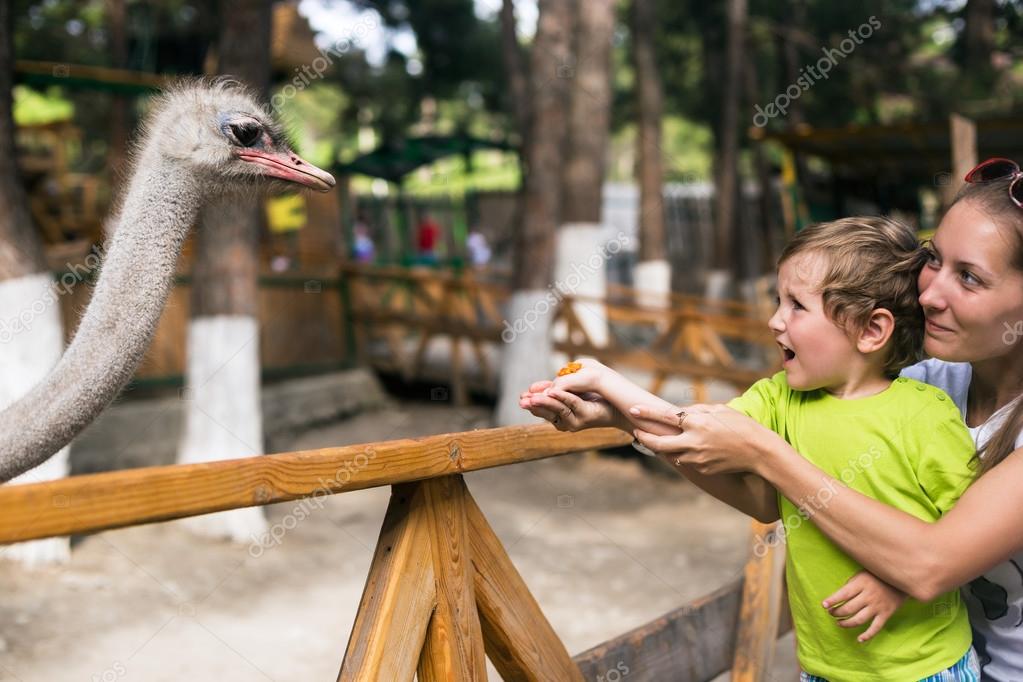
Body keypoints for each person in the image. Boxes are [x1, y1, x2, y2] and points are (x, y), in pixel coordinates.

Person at [528, 160, 1023, 680]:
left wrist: (767, 453)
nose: (928, 294)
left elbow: (929, 563)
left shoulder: (923, 408)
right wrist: (624, 417)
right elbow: (771, 497)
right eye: (933, 259)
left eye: (969, 277)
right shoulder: (922, 382)